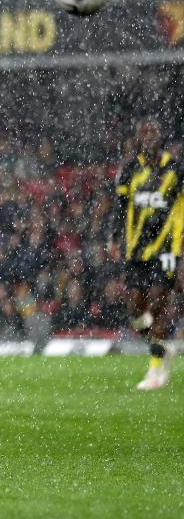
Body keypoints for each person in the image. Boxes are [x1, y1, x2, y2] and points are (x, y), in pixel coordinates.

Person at [110, 118, 183, 390]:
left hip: (166, 249)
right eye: (144, 133)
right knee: (136, 311)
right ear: (138, 138)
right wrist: (113, 237)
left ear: (161, 136)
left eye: (154, 132)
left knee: (158, 302)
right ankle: (161, 348)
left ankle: (155, 372)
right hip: (135, 250)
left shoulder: (176, 169)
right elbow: (119, 208)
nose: (149, 137)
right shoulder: (130, 169)